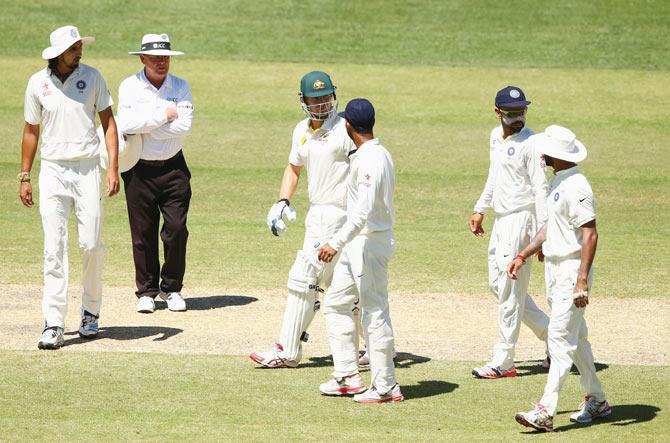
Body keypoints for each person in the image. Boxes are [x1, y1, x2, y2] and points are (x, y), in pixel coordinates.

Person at [20, 25, 119, 349]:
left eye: (80, 47)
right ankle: (53, 322)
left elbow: (108, 122)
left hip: (87, 168)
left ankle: (90, 312)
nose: (80, 52)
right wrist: (24, 176)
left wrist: (112, 168)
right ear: (59, 53)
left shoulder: (92, 77)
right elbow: (31, 131)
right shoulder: (38, 83)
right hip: (52, 170)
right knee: (54, 247)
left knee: (90, 244)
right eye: (74, 48)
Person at [250, 71, 354, 368]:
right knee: (340, 284)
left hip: (341, 214)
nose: (322, 105)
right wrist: (282, 202)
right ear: (303, 100)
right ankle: (366, 349)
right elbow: (293, 168)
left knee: (303, 278)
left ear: (334, 96)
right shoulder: (301, 130)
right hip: (317, 213)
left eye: (326, 98)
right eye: (315, 99)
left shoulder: (346, 128)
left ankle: (287, 351)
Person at [510, 125, 610, 431]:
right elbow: (550, 228)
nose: (541, 154)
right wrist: (523, 253)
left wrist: (581, 280)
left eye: (546, 150)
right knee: (576, 339)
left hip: (570, 271)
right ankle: (598, 400)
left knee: (559, 339)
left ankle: (545, 409)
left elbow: (590, 234)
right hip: (555, 269)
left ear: (558, 154)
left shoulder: (577, 187)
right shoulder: (559, 180)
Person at [318, 98, 402, 404]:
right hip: (359, 243)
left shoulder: (371, 159)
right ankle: (348, 376)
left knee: (374, 313)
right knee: (337, 303)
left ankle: (386, 387)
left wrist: (334, 243)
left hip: (369, 243)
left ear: (348, 125)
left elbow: (362, 211)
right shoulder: (373, 153)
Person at [469, 86, 550, 379]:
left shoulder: (533, 143)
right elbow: (495, 174)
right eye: (511, 113)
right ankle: (554, 338)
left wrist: (543, 233)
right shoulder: (495, 136)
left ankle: (504, 361)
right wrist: (481, 207)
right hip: (502, 219)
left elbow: (541, 189)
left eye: (521, 112)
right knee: (499, 286)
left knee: (509, 290)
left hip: (523, 219)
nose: (518, 118)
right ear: (497, 112)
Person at [117, 33, 193, 313]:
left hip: (174, 168)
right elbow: (125, 122)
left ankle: (171, 289)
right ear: (142, 58)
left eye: (165, 58)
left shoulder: (181, 86)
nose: (162, 63)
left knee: (176, 231)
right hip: (139, 169)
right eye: (155, 58)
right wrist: (164, 115)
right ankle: (146, 291)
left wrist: (147, 124)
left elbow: (183, 127)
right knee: (142, 233)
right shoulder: (129, 86)